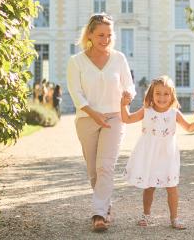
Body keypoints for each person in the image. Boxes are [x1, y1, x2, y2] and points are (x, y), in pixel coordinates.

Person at [66, 13, 136, 232]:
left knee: (105, 167)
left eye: (109, 35)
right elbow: (76, 93)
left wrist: (128, 96)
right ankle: (105, 206)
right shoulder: (76, 61)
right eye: (100, 35)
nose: (105, 39)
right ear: (89, 35)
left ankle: (98, 215)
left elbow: (130, 86)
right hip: (87, 118)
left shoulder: (119, 58)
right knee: (94, 171)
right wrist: (94, 114)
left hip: (114, 117)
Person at [121, 76, 194, 230]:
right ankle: (146, 215)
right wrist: (123, 104)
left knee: (172, 187)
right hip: (149, 155)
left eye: (166, 94)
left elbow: (189, 127)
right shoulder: (146, 111)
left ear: (172, 96)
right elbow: (127, 119)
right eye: (158, 93)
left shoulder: (174, 113)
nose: (161, 97)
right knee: (149, 186)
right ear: (151, 94)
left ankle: (174, 218)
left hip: (168, 156)